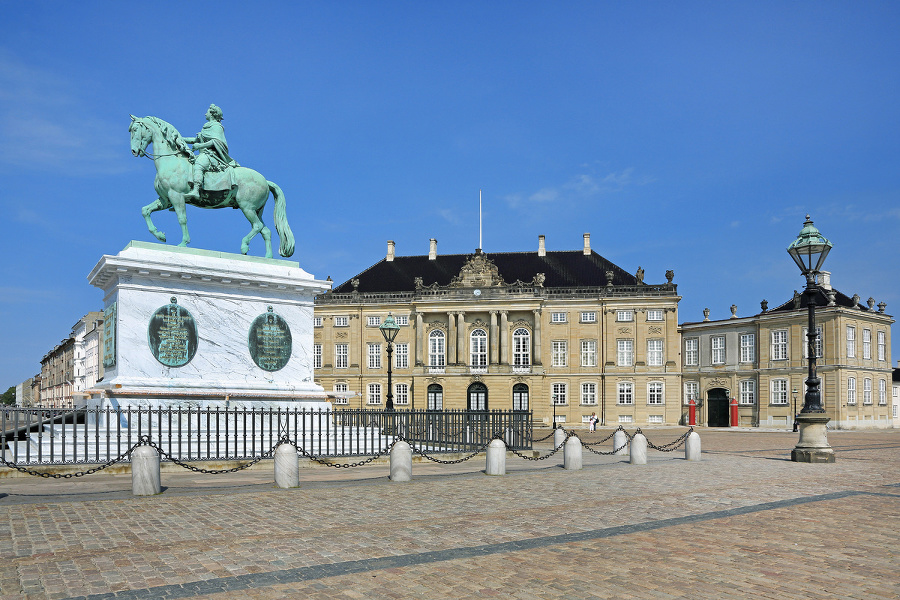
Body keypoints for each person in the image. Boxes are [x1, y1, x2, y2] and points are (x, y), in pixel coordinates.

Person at [183, 104, 238, 201]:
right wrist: (179, 138)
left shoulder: (217, 126)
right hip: (205, 153)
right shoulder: (206, 127)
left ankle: (196, 190)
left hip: (213, 155)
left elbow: (216, 141)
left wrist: (200, 146)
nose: (205, 114)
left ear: (212, 114)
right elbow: (195, 140)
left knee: (199, 163)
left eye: (207, 112)